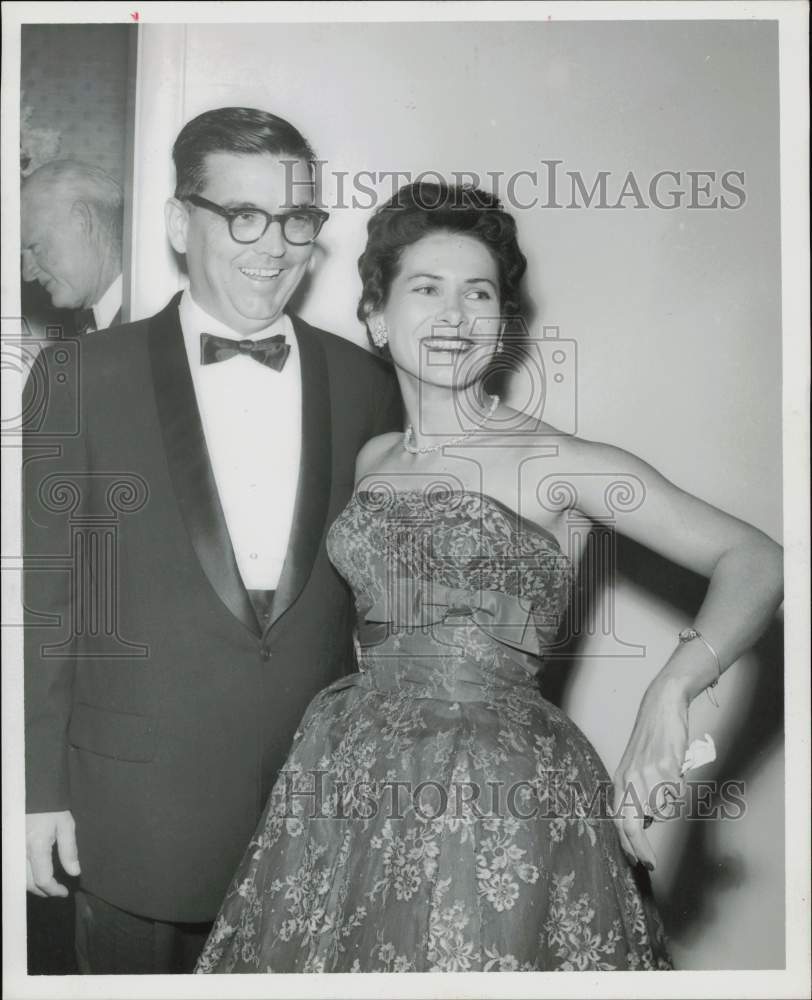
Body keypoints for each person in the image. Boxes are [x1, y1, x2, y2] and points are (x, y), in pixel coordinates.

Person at [196, 182, 784, 973]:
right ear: (376, 314)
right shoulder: (375, 459)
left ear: (501, 324)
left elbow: (756, 559)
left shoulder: (559, 464)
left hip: (496, 795)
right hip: (348, 778)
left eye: (479, 294)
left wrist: (671, 688)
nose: (455, 315)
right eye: (426, 289)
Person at [22, 107, 401, 974]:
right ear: (177, 223)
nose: (274, 246)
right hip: (131, 814)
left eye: (297, 219)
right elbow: (45, 603)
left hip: (310, 818)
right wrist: (35, 794)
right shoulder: (77, 376)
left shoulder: (365, 382)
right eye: (243, 215)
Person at [21, 160, 124, 334]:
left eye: (36, 248)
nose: (27, 274)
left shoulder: (147, 327)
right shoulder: (102, 325)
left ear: (81, 220)